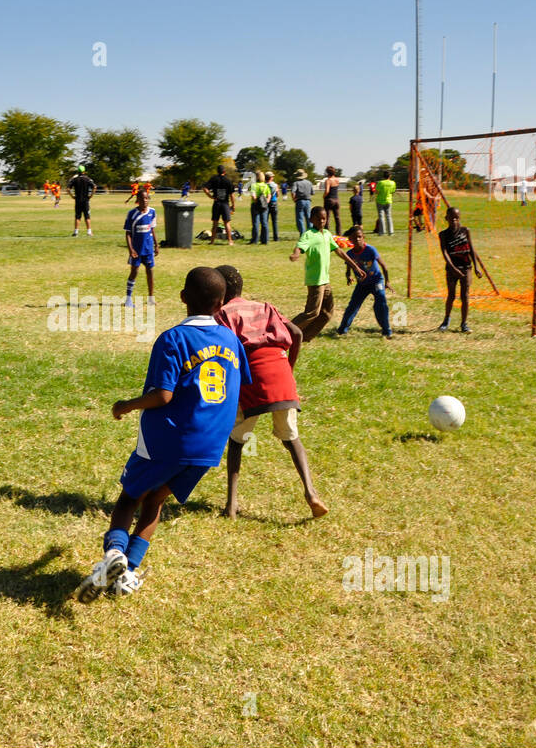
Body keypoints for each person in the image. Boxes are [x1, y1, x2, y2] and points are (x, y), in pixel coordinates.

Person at [75, 267, 249, 602]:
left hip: (169, 438)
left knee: (130, 497)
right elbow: (236, 388)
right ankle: (128, 573)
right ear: (222, 302)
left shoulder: (173, 338)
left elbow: (163, 395)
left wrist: (125, 405)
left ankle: (114, 555)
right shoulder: (230, 339)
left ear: (183, 297)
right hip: (210, 445)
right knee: (156, 500)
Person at [214, 265, 327, 520]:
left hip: (251, 376)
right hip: (280, 372)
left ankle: (231, 507)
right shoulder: (264, 306)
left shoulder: (222, 313)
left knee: (236, 441)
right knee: (291, 438)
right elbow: (296, 333)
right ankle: (311, 493)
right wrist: (290, 368)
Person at [289, 206, 365, 341]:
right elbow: (300, 246)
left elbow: (339, 251)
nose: (322, 221)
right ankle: (285, 331)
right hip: (315, 281)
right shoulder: (309, 234)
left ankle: (305, 337)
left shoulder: (327, 234)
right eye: (319, 218)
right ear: (311, 219)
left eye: (324, 218)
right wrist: (296, 254)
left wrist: (355, 266)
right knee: (312, 312)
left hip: (325, 280)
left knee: (327, 314)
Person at [334, 225, 392, 338]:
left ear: (363, 237)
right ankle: (342, 329)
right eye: (354, 238)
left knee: (380, 302)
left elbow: (384, 266)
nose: (358, 240)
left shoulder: (370, 250)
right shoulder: (350, 254)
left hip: (376, 281)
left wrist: (387, 282)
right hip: (362, 284)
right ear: (350, 240)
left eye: (360, 237)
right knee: (353, 306)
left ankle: (386, 330)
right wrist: (348, 276)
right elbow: (348, 268)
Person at [437, 207, 483, 333]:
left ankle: (464, 324)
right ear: (447, 219)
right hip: (452, 269)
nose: (454, 220)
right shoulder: (443, 234)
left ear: (459, 218)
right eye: (451, 218)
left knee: (465, 296)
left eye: (456, 218)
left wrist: (476, 268)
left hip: (466, 267)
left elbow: (472, 250)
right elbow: (444, 252)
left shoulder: (465, 231)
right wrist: (452, 268)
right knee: (451, 295)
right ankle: (446, 320)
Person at [123, 189, 159, 307]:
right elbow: (128, 233)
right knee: (134, 272)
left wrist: (156, 244)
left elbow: (152, 229)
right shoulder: (132, 214)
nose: (145, 200)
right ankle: (128, 298)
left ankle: (151, 298)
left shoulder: (152, 212)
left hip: (148, 249)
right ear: (137, 200)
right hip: (137, 250)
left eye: (146, 198)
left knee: (150, 271)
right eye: (142, 198)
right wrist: (131, 249)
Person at [203, 164, 236, 245]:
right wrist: (233, 205)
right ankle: (230, 241)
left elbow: (205, 189)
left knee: (215, 223)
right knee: (227, 223)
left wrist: (211, 196)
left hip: (216, 203)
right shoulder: (228, 181)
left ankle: (212, 241)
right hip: (225, 204)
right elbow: (232, 195)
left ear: (217, 171)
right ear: (224, 172)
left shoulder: (214, 179)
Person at [67, 166, 95, 237]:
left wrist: (72, 196)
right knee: (87, 216)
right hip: (86, 200)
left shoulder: (75, 179)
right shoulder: (87, 179)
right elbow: (94, 187)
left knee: (77, 216)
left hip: (78, 200)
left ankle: (76, 232)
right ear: (84, 171)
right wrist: (91, 195)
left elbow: (68, 188)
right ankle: (89, 232)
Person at [248, 171, 271, 244]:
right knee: (264, 223)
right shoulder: (265, 185)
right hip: (264, 206)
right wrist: (266, 202)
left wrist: (256, 201)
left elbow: (253, 196)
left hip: (255, 205)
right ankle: (265, 240)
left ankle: (255, 240)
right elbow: (269, 195)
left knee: (256, 223)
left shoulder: (254, 185)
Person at [290, 169, 314, 236]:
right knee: (309, 218)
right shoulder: (309, 183)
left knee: (300, 218)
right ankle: (310, 233)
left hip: (300, 201)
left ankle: (302, 234)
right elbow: (312, 193)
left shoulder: (296, 183)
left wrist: (294, 199)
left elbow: (292, 192)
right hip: (308, 201)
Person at [321, 166, 342, 235]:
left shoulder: (328, 180)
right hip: (336, 199)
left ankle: (326, 233)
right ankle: (339, 233)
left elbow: (327, 191)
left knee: (327, 218)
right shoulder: (337, 180)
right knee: (337, 218)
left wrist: (323, 196)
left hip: (329, 199)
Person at [266, 171, 280, 241]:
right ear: (271, 177)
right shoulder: (275, 185)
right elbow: (278, 195)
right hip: (273, 202)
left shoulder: (264, 185)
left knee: (266, 221)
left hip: (265, 203)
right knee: (274, 221)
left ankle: (266, 236)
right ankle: (276, 237)